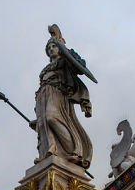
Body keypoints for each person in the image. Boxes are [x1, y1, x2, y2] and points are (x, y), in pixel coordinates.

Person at [31, 33, 94, 169]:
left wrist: (68, 53)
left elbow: (79, 67)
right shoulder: (45, 69)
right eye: (49, 47)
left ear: (59, 48)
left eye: (54, 46)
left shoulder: (64, 62)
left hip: (57, 92)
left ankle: (73, 151)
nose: (51, 49)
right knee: (43, 125)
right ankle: (50, 151)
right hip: (43, 95)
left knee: (51, 118)